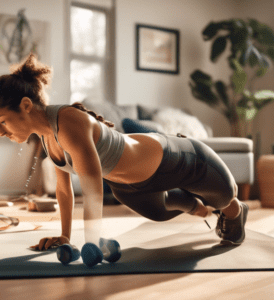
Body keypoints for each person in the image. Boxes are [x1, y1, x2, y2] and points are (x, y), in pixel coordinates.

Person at [0, 53, 248, 251]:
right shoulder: (46, 137)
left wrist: (91, 241)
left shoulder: (68, 122)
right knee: (165, 212)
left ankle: (234, 210)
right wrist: (65, 236)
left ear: (25, 106)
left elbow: (93, 188)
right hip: (128, 187)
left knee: (226, 195)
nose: (0, 132)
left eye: (2, 121)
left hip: (176, 159)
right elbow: (64, 190)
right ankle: (199, 207)